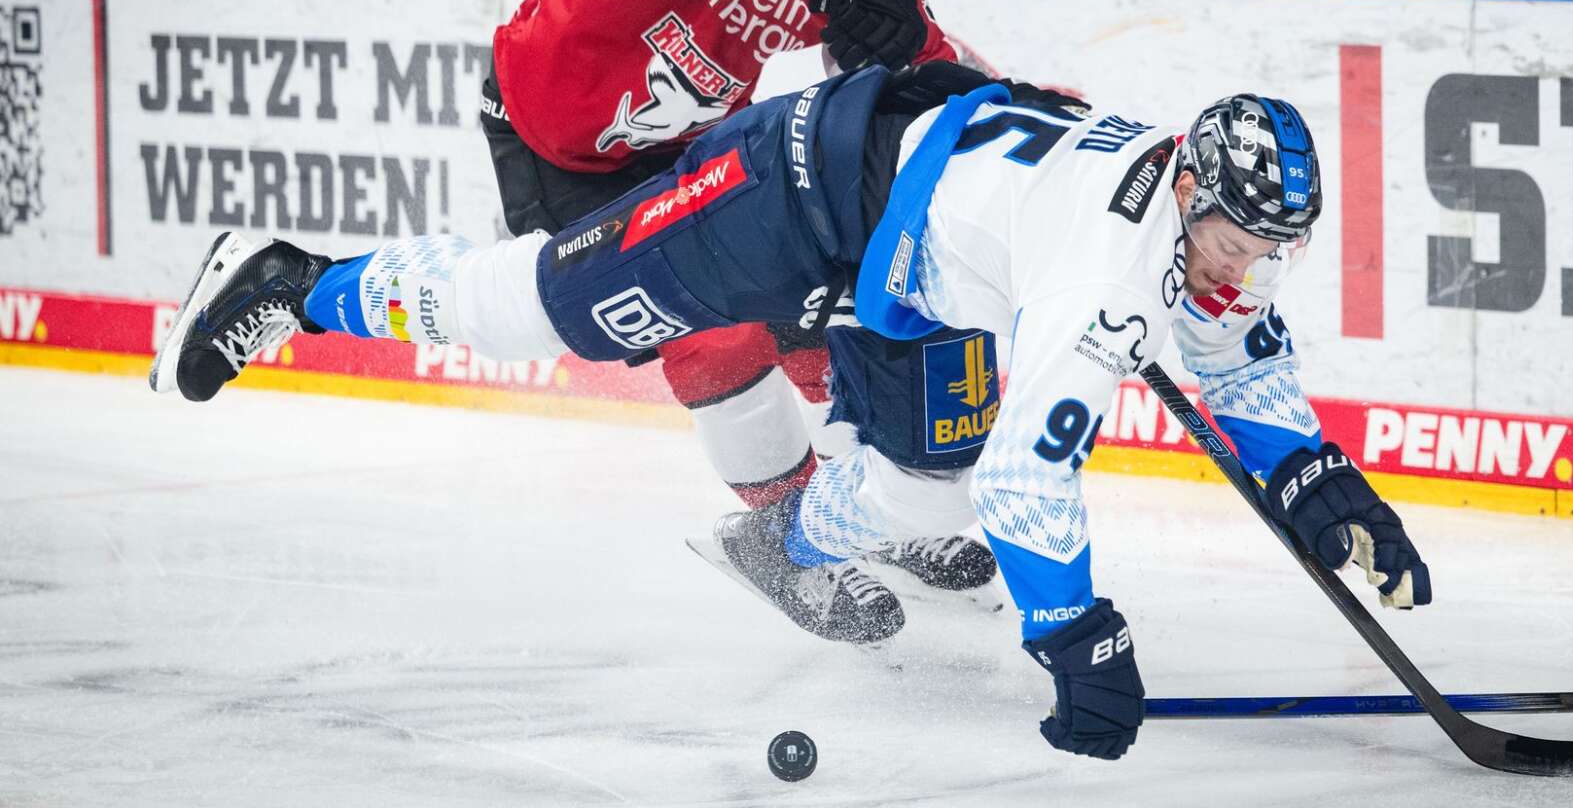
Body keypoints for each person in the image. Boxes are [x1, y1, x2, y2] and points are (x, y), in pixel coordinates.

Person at [150, 61, 1435, 762]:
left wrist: (1329, 492)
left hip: (911, 268)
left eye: (1277, 248)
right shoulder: (1108, 275)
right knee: (553, 309)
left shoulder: (1197, 226)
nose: (1247, 269)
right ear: (1190, 191)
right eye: (1237, 238)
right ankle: (296, 284)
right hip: (795, 185)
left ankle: (784, 539)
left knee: (924, 490)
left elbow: (1239, 362)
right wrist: (1080, 639)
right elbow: (1032, 487)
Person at [482, 0, 1001, 633]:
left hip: (682, 145)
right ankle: (782, 532)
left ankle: (861, 515)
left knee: (829, 287)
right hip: (551, 130)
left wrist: (1010, 101)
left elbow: (910, 52)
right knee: (708, 326)